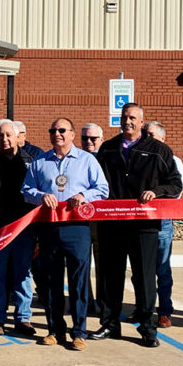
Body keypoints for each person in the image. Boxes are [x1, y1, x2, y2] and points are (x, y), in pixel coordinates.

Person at [92, 103, 181, 348]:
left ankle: (147, 328)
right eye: (124, 117)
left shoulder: (159, 150)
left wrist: (156, 191)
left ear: (142, 122)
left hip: (144, 226)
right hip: (112, 224)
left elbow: (175, 184)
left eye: (132, 117)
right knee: (111, 277)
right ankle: (110, 323)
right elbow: (96, 181)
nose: (127, 121)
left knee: (143, 278)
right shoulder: (108, 149)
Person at [22, 118, 109, 351]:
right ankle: (54, 329)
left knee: (78, 281)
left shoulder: (87, 160)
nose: (57, 134)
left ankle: (79, 332)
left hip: (77, 228)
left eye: (62, 130)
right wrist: (40, 195)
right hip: (49, 228)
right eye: (53, 130)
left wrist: (84, 196)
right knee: (51, 281)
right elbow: (26, 190)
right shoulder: (40, 161)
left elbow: (102, 189)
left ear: (72, 134)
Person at [0, 120, 37, 337]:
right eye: (0, 136)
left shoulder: (31, 160)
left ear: (18, 137)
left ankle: (23, 318)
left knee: (22, 273)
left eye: (8, 135)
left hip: (24, 227)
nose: (4, 139)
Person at [143, 121, 183, 329]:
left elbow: (176, 191)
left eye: (151, 135)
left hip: (161, 221)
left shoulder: (173, 160)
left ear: (162, 138)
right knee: (141, 270)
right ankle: (143, 309)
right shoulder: (138, 156)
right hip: (140, 220)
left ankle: (164, 311)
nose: (147, 138)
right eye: (145, 134)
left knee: (162, 269)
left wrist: (155, 192)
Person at [79, 121, 105, 315]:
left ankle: (104, 304)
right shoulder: (76, 160)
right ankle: (85, 302)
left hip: (103, 219)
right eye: (85, 138)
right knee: (81, 262)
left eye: (93, 138)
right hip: (79, 219)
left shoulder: (108, 158)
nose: (89, 141)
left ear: (101, 139)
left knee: (103, 262)